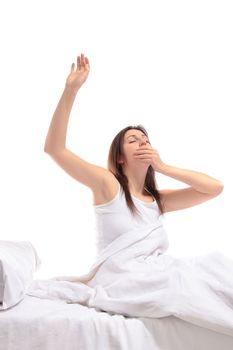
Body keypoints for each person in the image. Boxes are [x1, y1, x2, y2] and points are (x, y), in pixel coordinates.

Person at [38, 53, 233, 337]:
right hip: (124, 278)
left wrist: (163, 166)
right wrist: (71, 90)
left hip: (156, 272)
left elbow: (214, 188)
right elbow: (55, 149)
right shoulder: (108, 185)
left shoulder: (158, 201)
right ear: (120, 157)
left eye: (145, 140)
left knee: (216, 264)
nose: (142, 142)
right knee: (181, 281)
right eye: (133, 140)